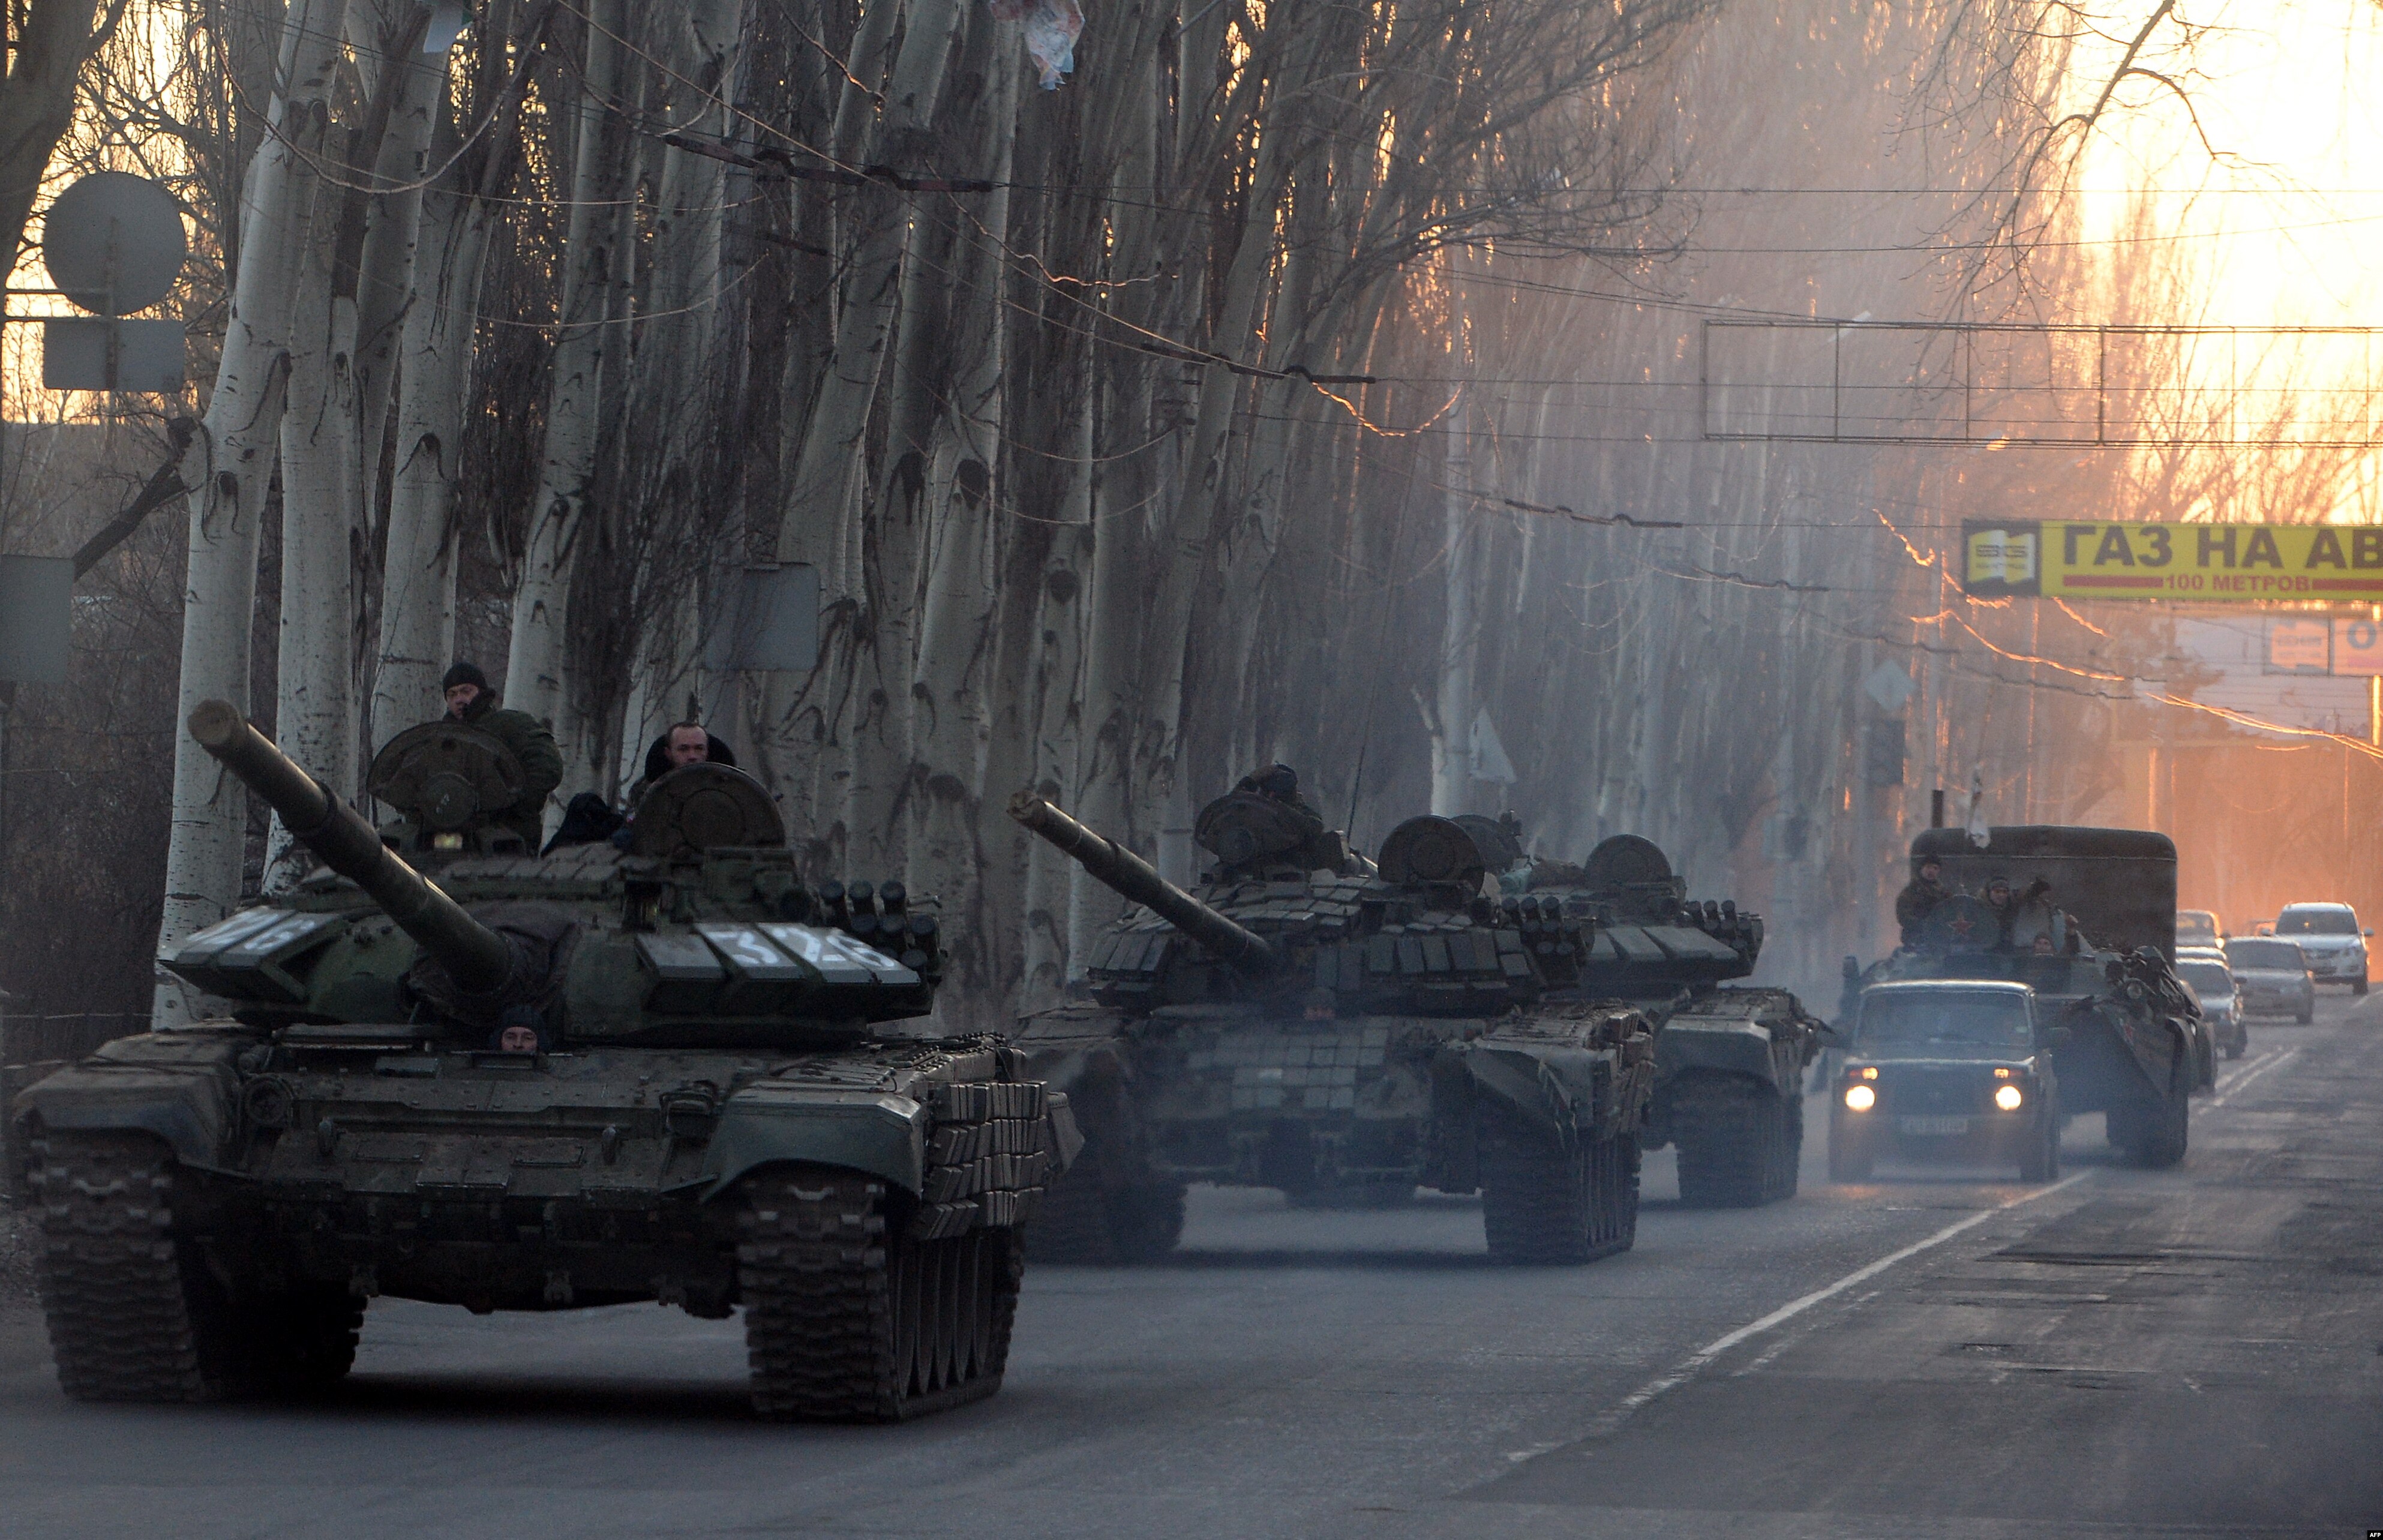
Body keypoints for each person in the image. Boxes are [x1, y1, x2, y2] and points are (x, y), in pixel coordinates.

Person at [440, 661, 563, 849]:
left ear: (481, 692)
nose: (459, 699)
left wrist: (518, 805)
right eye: (452, 694)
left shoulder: (511, 725)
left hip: (506, 837)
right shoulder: (440, 738)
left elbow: (548, 765)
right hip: (451, 836)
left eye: (466, 691)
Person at [628, 721, 739, 805]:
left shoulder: (731, 789)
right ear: (668, 753)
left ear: (707, 751)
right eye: (683, 749)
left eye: (699, 749)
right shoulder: (646, 792)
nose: (692, 756)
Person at [1894, 857, 1947, 946]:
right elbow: (1903, 915)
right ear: (1921, 869)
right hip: (1916, 939)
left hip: (1940, 940)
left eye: (1935, 868)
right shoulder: (1910, 892)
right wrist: (1923, 925)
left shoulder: (1944, 894)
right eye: (1928, 867)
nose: (1931, 871)